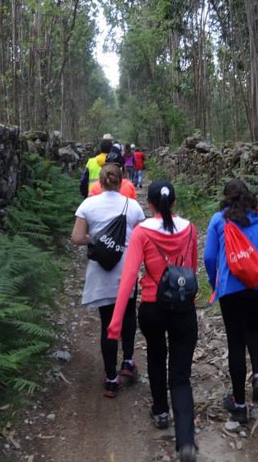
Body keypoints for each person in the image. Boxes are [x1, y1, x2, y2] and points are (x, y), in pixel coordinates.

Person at [107, 180, 199, 462]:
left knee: (157, 358)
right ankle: (186, 442)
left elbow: (128, 277)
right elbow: (192, 270)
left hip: (152, 307)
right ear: (174, 202)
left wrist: (116, 322)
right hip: (183, 308)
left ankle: (160, 412)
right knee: (181, 376)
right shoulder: (190, 229)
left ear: (149, 204)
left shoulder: (142, 232)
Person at [203, 178, 258, 424]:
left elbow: (209, 257)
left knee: (236, 341)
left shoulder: (219, 220)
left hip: (231, 287)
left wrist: (214, 282)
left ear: (226, 198)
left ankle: (239, 405)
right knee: (254, 328)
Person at [72, 160, 146, 398]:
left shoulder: (88, 204)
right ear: (121, 181)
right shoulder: (133, 206)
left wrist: (94, 238)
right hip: (126, 270)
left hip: (100, 270)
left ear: (100, 182)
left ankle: (111, 378)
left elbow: (77, 237)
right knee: (128, 316)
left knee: (107, 323)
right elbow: (143, 237)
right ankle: (128, 362)